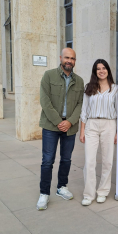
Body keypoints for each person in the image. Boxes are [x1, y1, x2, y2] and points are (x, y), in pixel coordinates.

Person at [37, 48, 85, 210]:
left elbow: (80, 104)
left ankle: (61, 187)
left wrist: (70, 122)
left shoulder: (79, 81)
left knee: (66, 159)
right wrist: (59, 121)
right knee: (48, 160)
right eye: (67, 57)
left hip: (69, 127)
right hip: (51, 125)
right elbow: (45, 101)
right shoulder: (48, 76)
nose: (69, 61)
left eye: (72, 58)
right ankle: (44, 193)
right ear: (60, 58)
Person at [79, 59, 118, 206]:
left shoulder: (115, 89)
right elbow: (84, 109)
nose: (101, 71)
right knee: (89, 161)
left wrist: (117, 132)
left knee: (107, 161)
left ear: (108, 70)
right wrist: (82, 130)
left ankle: (102, 191)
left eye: (104, 68)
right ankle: (88, 194)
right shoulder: (89, 88)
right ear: (95, 72)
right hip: (92, 124)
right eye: (98, 69)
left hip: (109, 124)